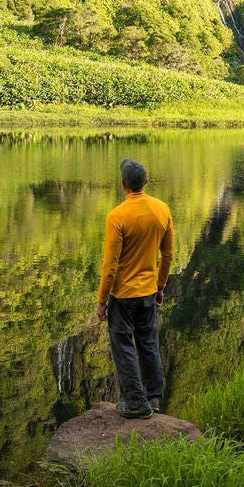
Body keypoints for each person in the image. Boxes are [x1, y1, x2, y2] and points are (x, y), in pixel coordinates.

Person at [95, 157, 174, 419]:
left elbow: (110, 265)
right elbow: (168, 254)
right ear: (145, 183)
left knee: (123, 345)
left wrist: (102, 300)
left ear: (123, 184)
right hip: (149, 291)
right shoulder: (162, 209)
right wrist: (161, 285)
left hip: (123, 295)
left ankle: (136, 402)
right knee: (148, 342)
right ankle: (153, 397)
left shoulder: (117, 216)